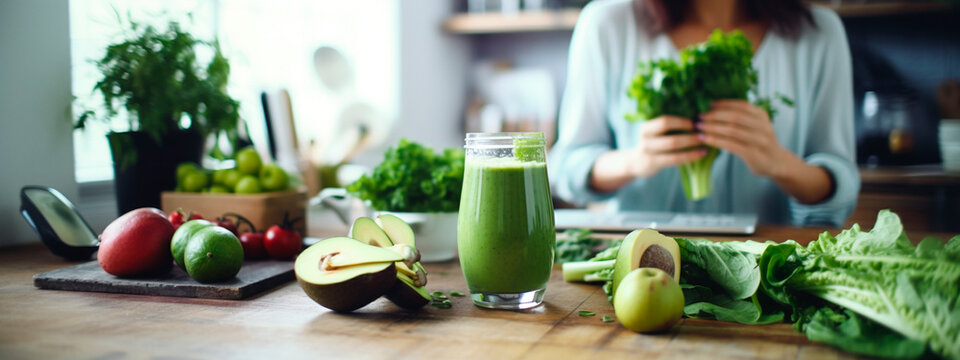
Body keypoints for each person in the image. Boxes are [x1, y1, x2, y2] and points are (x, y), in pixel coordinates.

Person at [548, 0, 860, 227]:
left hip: (767, 271)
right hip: (642, 266)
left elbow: (841, 187)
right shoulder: (605, 24)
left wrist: (780, 164)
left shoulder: (819, 32)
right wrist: (635, 160)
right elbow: (567, 168)